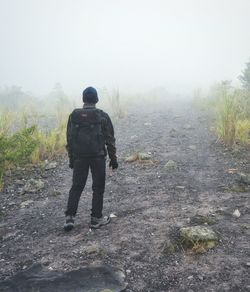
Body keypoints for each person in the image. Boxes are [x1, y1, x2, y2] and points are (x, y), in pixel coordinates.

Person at [64, 86, 118, 231]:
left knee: (76, 187)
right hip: (98, 157)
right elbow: (110, 140)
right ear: (96, 99)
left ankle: (69, 218)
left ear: (83, 99)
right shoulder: (102, 115)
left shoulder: (74, 116)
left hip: (79, 157)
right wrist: (113, 159)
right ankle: (96, 219)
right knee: (98, 187)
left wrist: (71, 159)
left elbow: (70, 139)